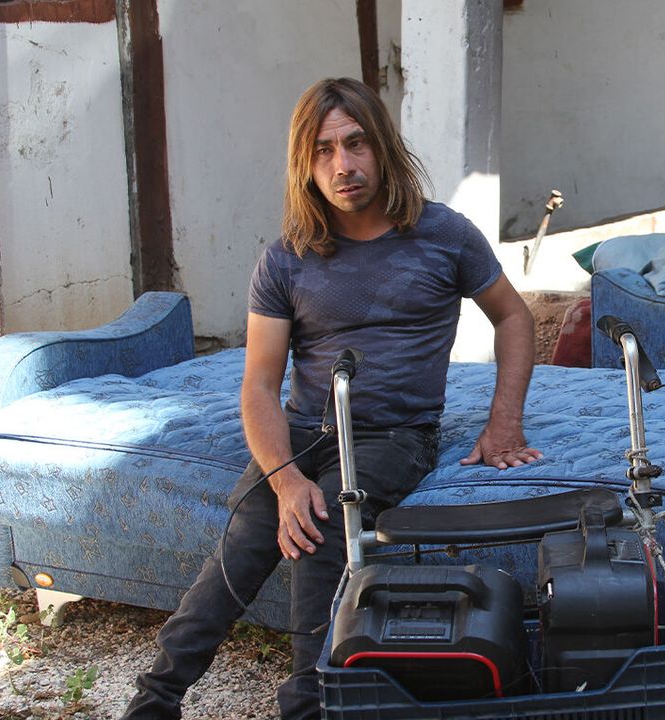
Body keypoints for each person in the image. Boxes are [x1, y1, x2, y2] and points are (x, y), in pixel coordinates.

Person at [121, 77, 542, 720]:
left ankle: (307, 706)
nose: (342, 164)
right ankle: (155, 700)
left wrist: (503, 423)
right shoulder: (286, 258)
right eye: (323, 150)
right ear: (305, 164)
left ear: (383, 148)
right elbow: (259, 385)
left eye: (356, 144)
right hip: (302, 433)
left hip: (392, 434)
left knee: (322, 530)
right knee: (243, 541)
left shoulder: (444, 234)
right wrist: (284, 479)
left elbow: (513, 317)